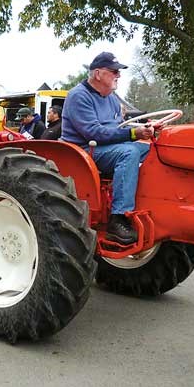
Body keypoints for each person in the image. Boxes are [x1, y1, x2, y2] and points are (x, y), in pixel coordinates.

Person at [61, 52, 153, 245]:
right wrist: (134, 134)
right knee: (129, 153)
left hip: (107, 147)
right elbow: (94, 133)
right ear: (97, 74)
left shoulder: (111, 98)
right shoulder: (78, 96)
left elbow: (117, 128)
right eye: (114, 71)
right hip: (83, 151)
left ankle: (152, 205)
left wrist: (143, 131)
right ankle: (118, 217)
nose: (118, 75)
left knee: (154, 149)